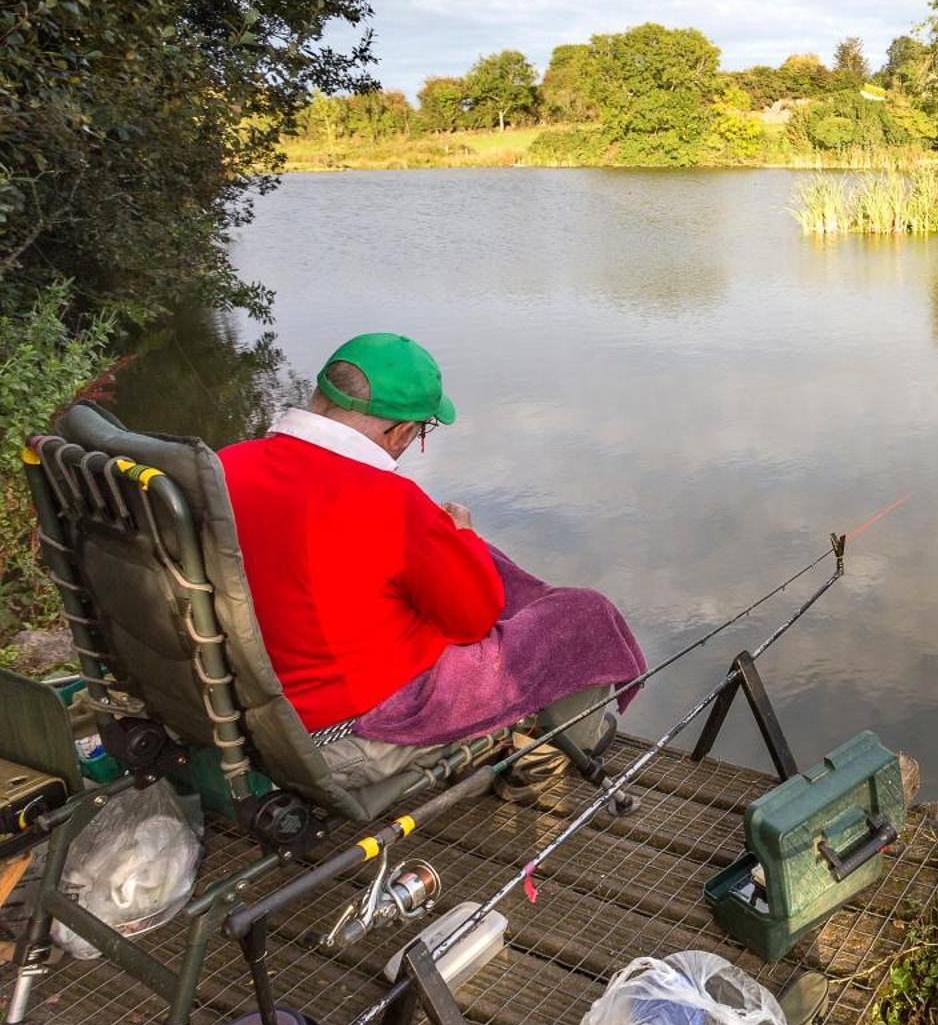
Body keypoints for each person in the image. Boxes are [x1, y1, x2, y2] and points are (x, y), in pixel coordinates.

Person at [220, 333, 645, 790]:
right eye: (421, 431)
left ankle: (543, 696)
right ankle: (556, 749)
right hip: (349, 737)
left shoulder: (225, 466)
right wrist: (460, 535)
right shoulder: (391, 502)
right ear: (402, 431)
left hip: (248, 712)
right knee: (583, 614)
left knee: (489, 564)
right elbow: (471, 624)